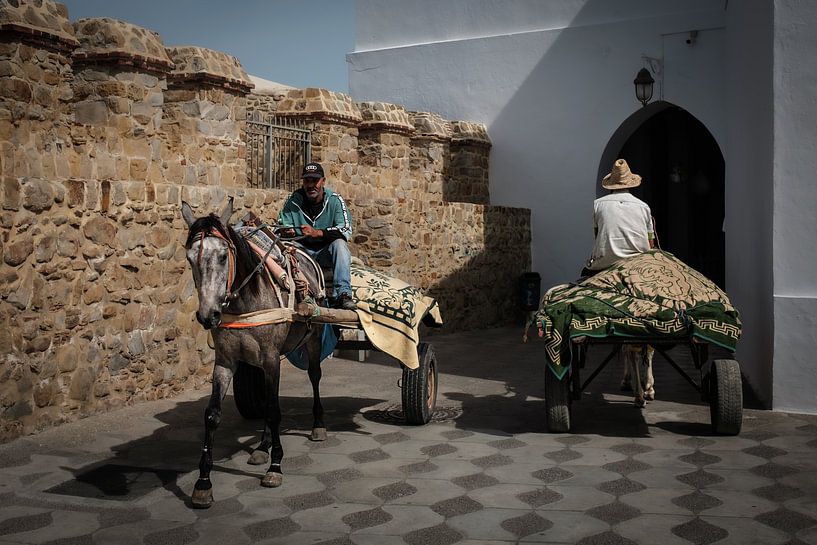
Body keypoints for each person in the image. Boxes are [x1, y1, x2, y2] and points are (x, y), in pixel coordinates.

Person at [278, 162, 356, 310]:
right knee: (286, 247)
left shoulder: (335, 201)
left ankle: (344, 293)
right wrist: (286, 231)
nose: (311, 185)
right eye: (307, 181)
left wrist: (317, 232)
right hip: (302, 252)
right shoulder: (293, 200)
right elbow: (282, 224)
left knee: (340, 244)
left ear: (323, 181)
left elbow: (345, 229)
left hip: (325, 252)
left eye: (315, 181)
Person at [582, 158, 655, 277]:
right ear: (630, 185)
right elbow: (650, 241)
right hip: (639, 262)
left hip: (604, 262)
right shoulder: (643, 206)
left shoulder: (598, 204)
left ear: (610, 186)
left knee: (584, 275)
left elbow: (597, 235)